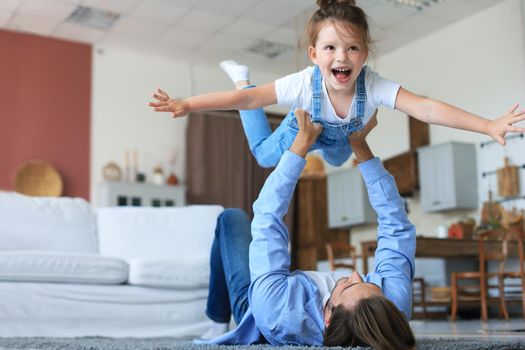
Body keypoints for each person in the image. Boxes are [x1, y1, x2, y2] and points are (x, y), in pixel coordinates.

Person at [149, 0, 525, 168]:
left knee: (339, 154)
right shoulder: (303, 83)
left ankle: (337, 143)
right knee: (264, 157)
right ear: (314, 54)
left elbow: (425, 107)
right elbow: (246, 100)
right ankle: (242, 69)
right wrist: (188, 103)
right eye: (330, 48)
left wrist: (487, 125)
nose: (341, 57)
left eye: (352, 48)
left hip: (339, 144)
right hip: (303, 129)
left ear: (364, 54)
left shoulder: (373, 85)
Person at [199, 109, 416, 350]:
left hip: (256, 311)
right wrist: (360, 144)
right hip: (288, 292)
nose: (356, 274)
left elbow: (267, 216)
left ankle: (217, 321)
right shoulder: (391, 304)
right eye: (372, 285)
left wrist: (301, 143)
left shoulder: (276, 310)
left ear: (328, 318)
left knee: (230, 218)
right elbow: (395, 225)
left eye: (350, 286)